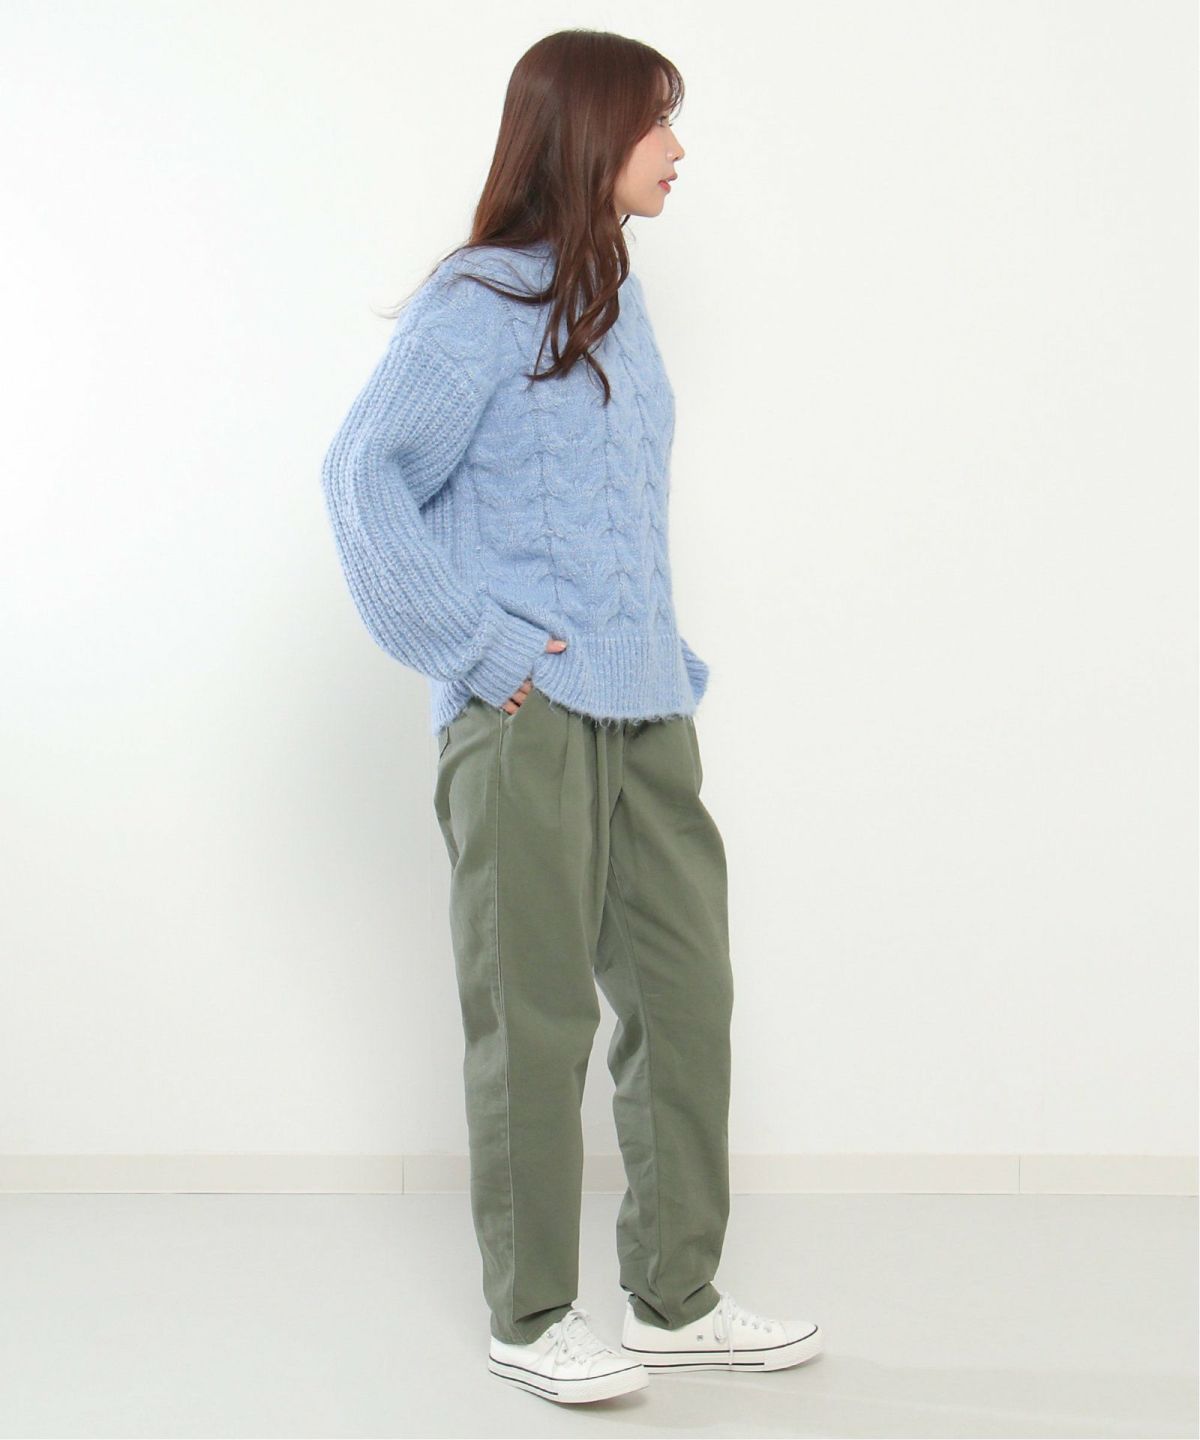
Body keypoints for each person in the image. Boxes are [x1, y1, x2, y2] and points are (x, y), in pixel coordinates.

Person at [320, 27, 822, 1407]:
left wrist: (651, 644)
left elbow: (605, 512)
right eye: (657, 122)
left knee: (686, 998)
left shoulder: (617, 298)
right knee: (534, 1019)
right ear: (591, 133)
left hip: (647, 707)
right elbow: (362, 476)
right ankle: (534, 1315)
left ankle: (675, 1298)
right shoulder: (479, 300)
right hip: (525, 715)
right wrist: (478, 647)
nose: (677, 149)